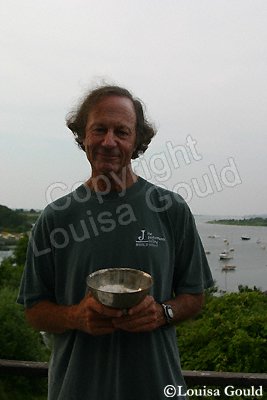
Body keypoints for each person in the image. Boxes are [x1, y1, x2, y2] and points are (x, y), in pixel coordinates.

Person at [18, 85, 213, 400]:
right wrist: (76, 316)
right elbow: (34, 310)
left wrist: (164, 313)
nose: (109, 141)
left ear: (136, 141)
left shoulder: (170, 208)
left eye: (122, 131)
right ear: (83, 136)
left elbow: (194, 295)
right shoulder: (55, 218)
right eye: (100, 129)